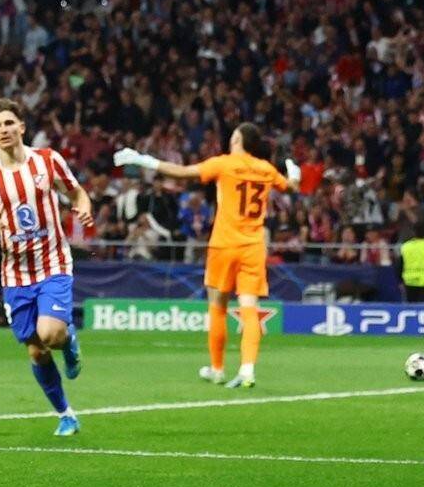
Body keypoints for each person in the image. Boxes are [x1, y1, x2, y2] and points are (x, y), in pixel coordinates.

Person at [115, 122, 300, 388]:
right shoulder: (266, 169)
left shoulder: (224, 164)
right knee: (249, 308)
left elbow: (181, 173)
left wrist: (143, 160)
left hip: (224, 245)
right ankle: (247, 369)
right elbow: (292, 187)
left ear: (238, 140)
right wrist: (294, 170)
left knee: (218, 307)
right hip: (253, 247)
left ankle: (217, 369)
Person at [0, 98, 93, 437]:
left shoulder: (47, 160)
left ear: (22, 127)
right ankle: (66, 414)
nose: (4, 129)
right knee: (36, 350)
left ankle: (68, 340)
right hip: (15, 274)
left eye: (9, 123)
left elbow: (77, 193)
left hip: (53, 262)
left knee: (51, 334)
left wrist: (83, 208)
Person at [398, 232, 424, 302]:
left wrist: (400, 280)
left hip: (409, 281)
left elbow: (399, 264)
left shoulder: (406, 246)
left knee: (410, 305)